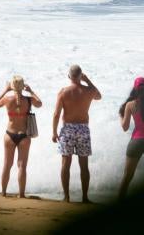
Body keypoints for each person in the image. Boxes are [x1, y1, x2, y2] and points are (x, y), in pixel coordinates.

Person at [52, 65, 102, 203]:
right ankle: (85, 197)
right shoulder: (88, 91)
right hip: (83, 129)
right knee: (84, 165)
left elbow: (56, 114)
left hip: (67, 129)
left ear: (69, 76)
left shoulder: (63, 92)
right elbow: (99, 96)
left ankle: (66, 197)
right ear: (80, 76)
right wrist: (87, 80)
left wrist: (54, 132)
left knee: (65, 164)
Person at [0, 76, 42, 197]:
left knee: (7, 165)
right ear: (23, 86)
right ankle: (21, 194)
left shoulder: (7, 99)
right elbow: (40, 104)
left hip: (9, 135)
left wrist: (5, 90)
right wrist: (31, 91)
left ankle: (3, 193)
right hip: (24, 136)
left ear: (12, 86)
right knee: (22, 166)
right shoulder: (29, 100)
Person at [117, 77, 144, 199]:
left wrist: (120, 117)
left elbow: (125, 127)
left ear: (135, 89)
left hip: (136, 142)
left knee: (127, 177)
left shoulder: (130, 105)